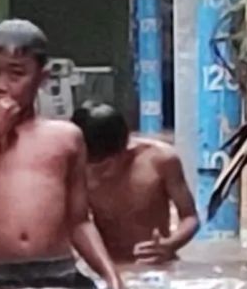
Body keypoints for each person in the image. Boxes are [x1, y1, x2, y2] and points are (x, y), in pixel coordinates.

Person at [0, 19, 124, 289]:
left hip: (58, 269)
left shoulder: (66, 137)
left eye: (16, 74)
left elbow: (79, 221)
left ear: (42, 77)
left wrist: (111, 276)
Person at [74, 102, 199, 264]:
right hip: (107, 265)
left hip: (156, 265)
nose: (101, 173)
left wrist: (169, 245)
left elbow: (190, 217)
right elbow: (74, 224)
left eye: (105, 165)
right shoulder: (73, 166)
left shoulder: (161, 159)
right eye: (91, 165)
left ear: (125, 147)